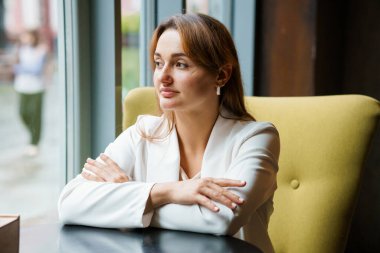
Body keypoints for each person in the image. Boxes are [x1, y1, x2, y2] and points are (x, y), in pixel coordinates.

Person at [58, 13, 280, 253]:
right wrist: (164, 191)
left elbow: (221, 219)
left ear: (221, 75)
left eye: (180, 64)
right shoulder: (142, 133)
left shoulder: (256, 138)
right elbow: (69, 203)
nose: (163, 77)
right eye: (158, 63)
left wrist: (129, 197)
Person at [13, 29, 48, 156]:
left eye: (27, 36)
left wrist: (23, 67)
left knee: (36, 117)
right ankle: (33, 135)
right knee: (23, 114)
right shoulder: (20, 50)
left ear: (34, 37)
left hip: (36, 88)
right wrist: (24, 67)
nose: (25, 39)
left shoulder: (41, 49)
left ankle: (34, 143)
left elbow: (36, 70)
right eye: (23, 36)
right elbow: (15, 67)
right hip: (22, 87)